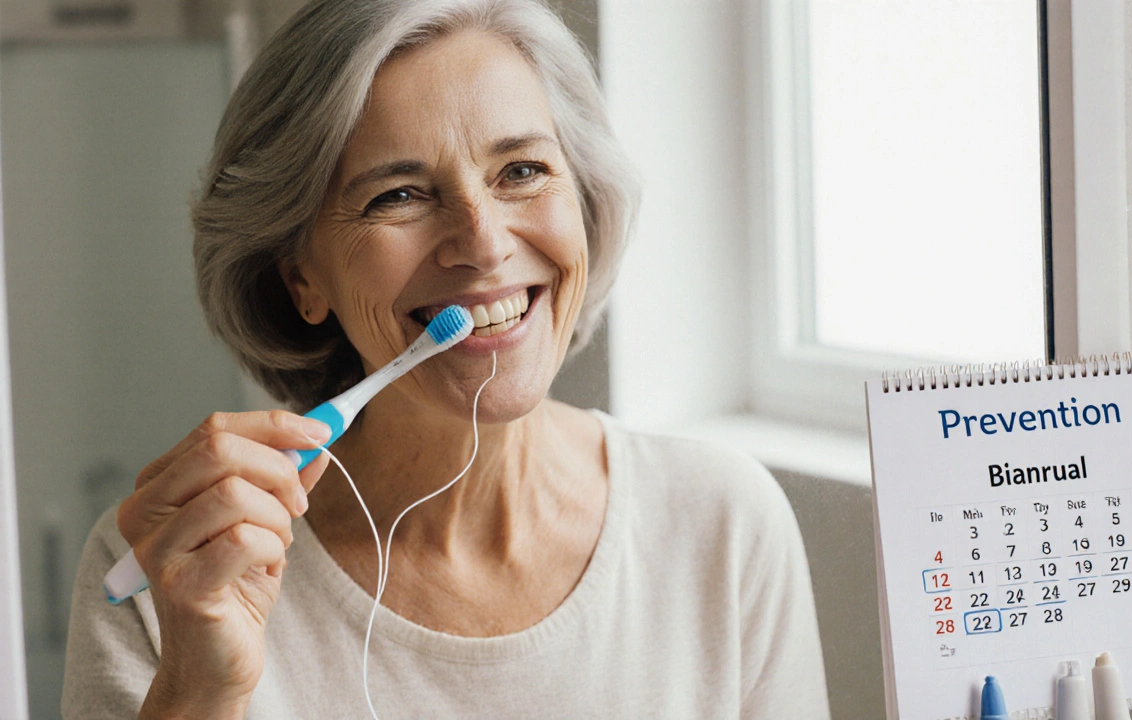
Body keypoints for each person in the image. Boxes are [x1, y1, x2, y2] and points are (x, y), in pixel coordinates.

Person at [62, 0, 830, 717]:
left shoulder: (723, 526)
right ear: (302, 277)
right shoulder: (174, 572)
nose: (485, 242)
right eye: (398, 194)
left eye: (522, 172)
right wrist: (199, 690)